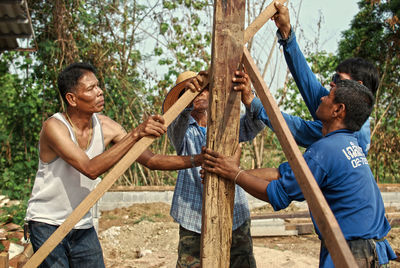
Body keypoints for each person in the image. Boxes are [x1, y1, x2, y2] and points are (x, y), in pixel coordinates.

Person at [201, 79, 397, 267]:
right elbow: (281, 173)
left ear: (338, 110)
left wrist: (234, 174)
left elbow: (277, 194)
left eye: (328, 96)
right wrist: (228, 170)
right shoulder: (348, 144)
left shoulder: (326, 150)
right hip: (371, 249)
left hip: (352, 252)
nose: (322, 98)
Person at [25, 63, 204, 268]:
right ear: (72, 99)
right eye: (91, 88)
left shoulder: (106, 126)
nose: (100, 92)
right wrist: (135, 133)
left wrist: (198, 159)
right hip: (47, 223)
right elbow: (90, 169)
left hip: (81, 224)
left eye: (98, 86)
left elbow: (151, 160)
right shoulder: (54, 127)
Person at [244, 1, 380, 156]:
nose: (331, 83)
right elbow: (307, 81)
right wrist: (286, 32)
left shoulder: (349, 127)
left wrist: (252, 101)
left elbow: (299, 129)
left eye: (338, 78)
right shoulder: (339, 108)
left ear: (358, 85)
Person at [164, 70, 265, 267]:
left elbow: (256, 124)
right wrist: (186, 101)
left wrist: (248, 97)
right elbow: (176, 131)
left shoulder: (227, 125)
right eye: (193, 92)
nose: (200, 94)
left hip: (233, 211)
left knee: (242, 262)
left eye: (204, 89)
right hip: (192, 217)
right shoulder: (181, 129)